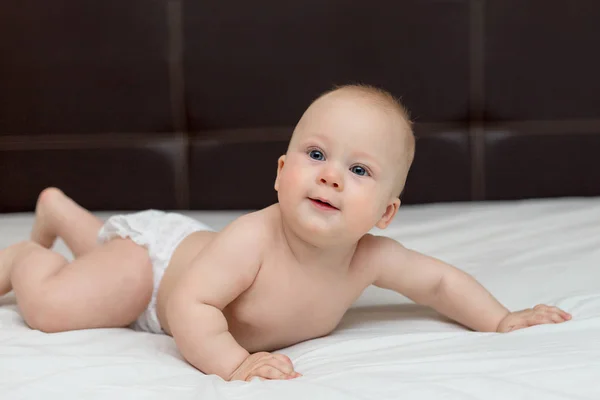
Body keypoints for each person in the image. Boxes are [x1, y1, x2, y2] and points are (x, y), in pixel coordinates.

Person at [0, 84, 572, 382]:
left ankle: (61, 210)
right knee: (55, 306)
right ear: (281, 173)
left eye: (359, 170)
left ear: (385, 213)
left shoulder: (369, 258)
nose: (330, 175)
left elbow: (441, 283)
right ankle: (25, 257)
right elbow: (188, 301)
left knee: (99, 252)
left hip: (187, 256)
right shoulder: (254, 238)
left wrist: (500, 319)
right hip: (155, 271)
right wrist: (231, 363)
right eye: (317, 153)